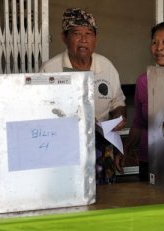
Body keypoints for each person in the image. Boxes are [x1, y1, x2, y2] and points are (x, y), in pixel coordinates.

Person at [40, 8, 127, 183]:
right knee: (65, 192)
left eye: (88, 33)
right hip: (63, 146)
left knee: (106, 199)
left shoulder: (106, 67)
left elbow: (118, 103)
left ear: (95, 38)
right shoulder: (50, 70)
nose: (83, 40)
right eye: (76, 34)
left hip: (101, 144)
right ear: (64, 38)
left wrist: (119, 117)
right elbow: (40, 111)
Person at [115, 21, 164, 181]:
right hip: (150, 161)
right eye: (154, 42)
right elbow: (139, 123)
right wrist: (125, 149)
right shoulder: (143, 81)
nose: (158, 48)